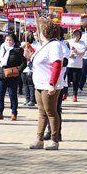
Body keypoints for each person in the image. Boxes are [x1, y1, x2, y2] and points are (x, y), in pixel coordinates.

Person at [28, 20, 66, 151]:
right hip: (39, 83)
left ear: (45, 32)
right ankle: (39, 139)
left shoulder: (55, 45)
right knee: (42, 112)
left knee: (51, 112)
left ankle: (54, 140)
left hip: (48, 84)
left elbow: (57, 64)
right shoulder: (45, 45)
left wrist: (52, 84)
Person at [0, 33, 26, 121]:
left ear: (14, 41)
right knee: (0, 94)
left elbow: (24, 62)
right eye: (7, 40)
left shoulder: (18, 50)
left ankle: (14, 113)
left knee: (12, 94)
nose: (8, 42)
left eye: (10, 40)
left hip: (12, 74)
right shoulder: (2, 48)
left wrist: (18, 70)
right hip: (1, 73)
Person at [66, 29, 86, 102]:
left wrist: (76, 51)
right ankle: (65, 93)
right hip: (69, 64)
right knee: (66, 80)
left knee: (75, 81)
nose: (76, 36)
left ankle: (75, 95)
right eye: (75, 34)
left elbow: (82, 53)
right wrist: (69, 55)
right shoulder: (68, 41)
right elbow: (64, 51)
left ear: (80, 36)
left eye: (78, 34)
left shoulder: (82, 43)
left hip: (78, 65)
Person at [21, 32, 38, 106]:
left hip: (31, 68)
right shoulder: (22, 44)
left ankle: (32, 99)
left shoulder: (36, 44)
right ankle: (27, 99)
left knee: (31, 85)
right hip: (24, 67)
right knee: (25, 84)